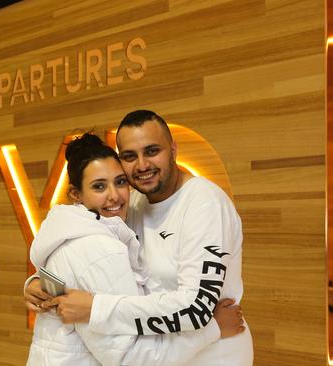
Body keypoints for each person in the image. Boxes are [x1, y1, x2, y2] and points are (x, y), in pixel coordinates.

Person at [26, 111, 254, 365]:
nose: (142, 165)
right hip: (158, 356)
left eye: (152, 151)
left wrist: (96, 309)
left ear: (173, 149)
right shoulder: (129, 203)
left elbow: (197, 309)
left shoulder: (204, 204)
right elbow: (80, 254)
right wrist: (40, 283)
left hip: (212, 353)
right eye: (129, 156)